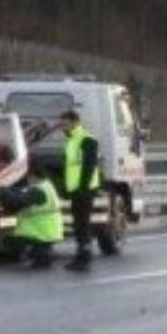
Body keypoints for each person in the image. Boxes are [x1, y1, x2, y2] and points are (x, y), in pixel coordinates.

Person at [59, 109, 100, 272]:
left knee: (83, 224)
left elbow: (89, 167)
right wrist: (67, 188)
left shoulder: (87, 140)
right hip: (76, 189)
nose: (63, 127)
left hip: (85, 189)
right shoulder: (70, 141)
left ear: (75, 122)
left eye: (65, 123)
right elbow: (69, 167)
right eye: (62, 124)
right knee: (78, 224)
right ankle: (80, 255)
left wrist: (82, 188)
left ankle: (85, 257)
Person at [1, 161, 63, 268]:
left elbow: (17, 200)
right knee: (40, 251)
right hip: (47, 231)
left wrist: (3, 190)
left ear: (31, 175)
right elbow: (21, 193)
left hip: (39, 232)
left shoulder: (38, 191)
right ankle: (39, 253)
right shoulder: (45, 186)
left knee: (9, 242)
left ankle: (33, 252)